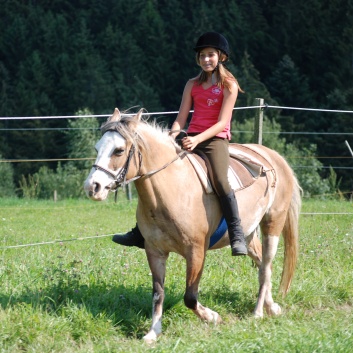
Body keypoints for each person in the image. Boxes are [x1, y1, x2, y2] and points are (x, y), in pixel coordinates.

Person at [113, 31, 247, 256]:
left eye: (211, 54)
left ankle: (237, 233)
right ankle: (140, 231)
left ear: (221, 56)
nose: (206, 59)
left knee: (222, 182)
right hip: (189, 137)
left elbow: (223, 121)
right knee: (156, 176)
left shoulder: (229, 84)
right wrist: (171, 136)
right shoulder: (192, 84)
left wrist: (197, 139)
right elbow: (181, 117)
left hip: (215, 140)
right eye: (202, 55)